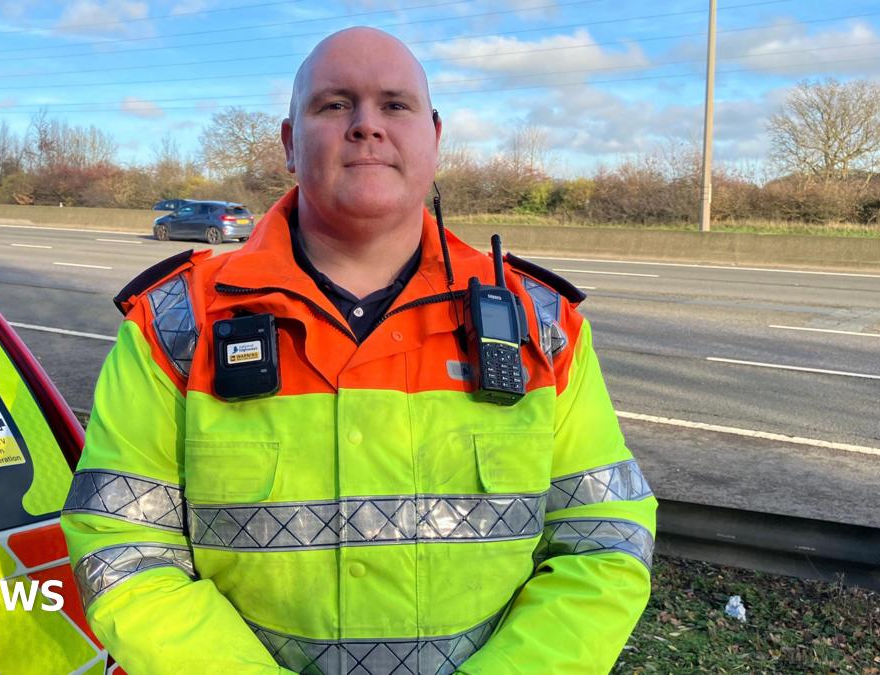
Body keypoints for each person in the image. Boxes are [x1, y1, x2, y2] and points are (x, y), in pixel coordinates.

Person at [61, 26, 656, 674]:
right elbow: (124, 547)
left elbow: (604, 540)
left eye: (394, 105)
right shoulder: (175, 325)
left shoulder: (544, 325)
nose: (366, 125)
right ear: (291, 142)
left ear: (434, 137)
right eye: (335, 104)